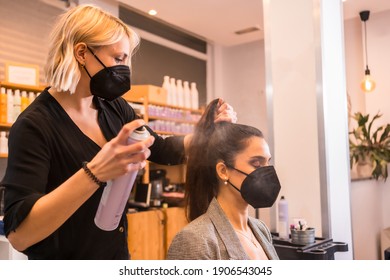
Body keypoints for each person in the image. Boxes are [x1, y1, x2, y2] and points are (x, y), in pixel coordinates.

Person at [2, 5, 236, 260]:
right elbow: (20, 235)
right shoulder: (35, 125)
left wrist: (208, 132)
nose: (126, 70)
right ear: (82, 53)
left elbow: (162, 149)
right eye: (119, 59)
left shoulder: (114, 108)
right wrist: (95, 173)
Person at [167, 99, 280, 260]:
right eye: (256, 163)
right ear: (223, 171)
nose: (266, 172)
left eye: (268, 163)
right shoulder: (195, 240)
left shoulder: (261, 229)